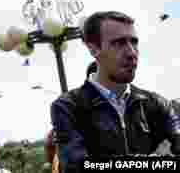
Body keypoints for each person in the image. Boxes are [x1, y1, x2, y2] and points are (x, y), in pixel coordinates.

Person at [50, 10, 180, 170]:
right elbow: (78, 167)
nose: (132, 52)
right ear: (93, 49)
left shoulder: (158, 104)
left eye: (134, 42)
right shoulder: (68, 107)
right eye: (119, 43)